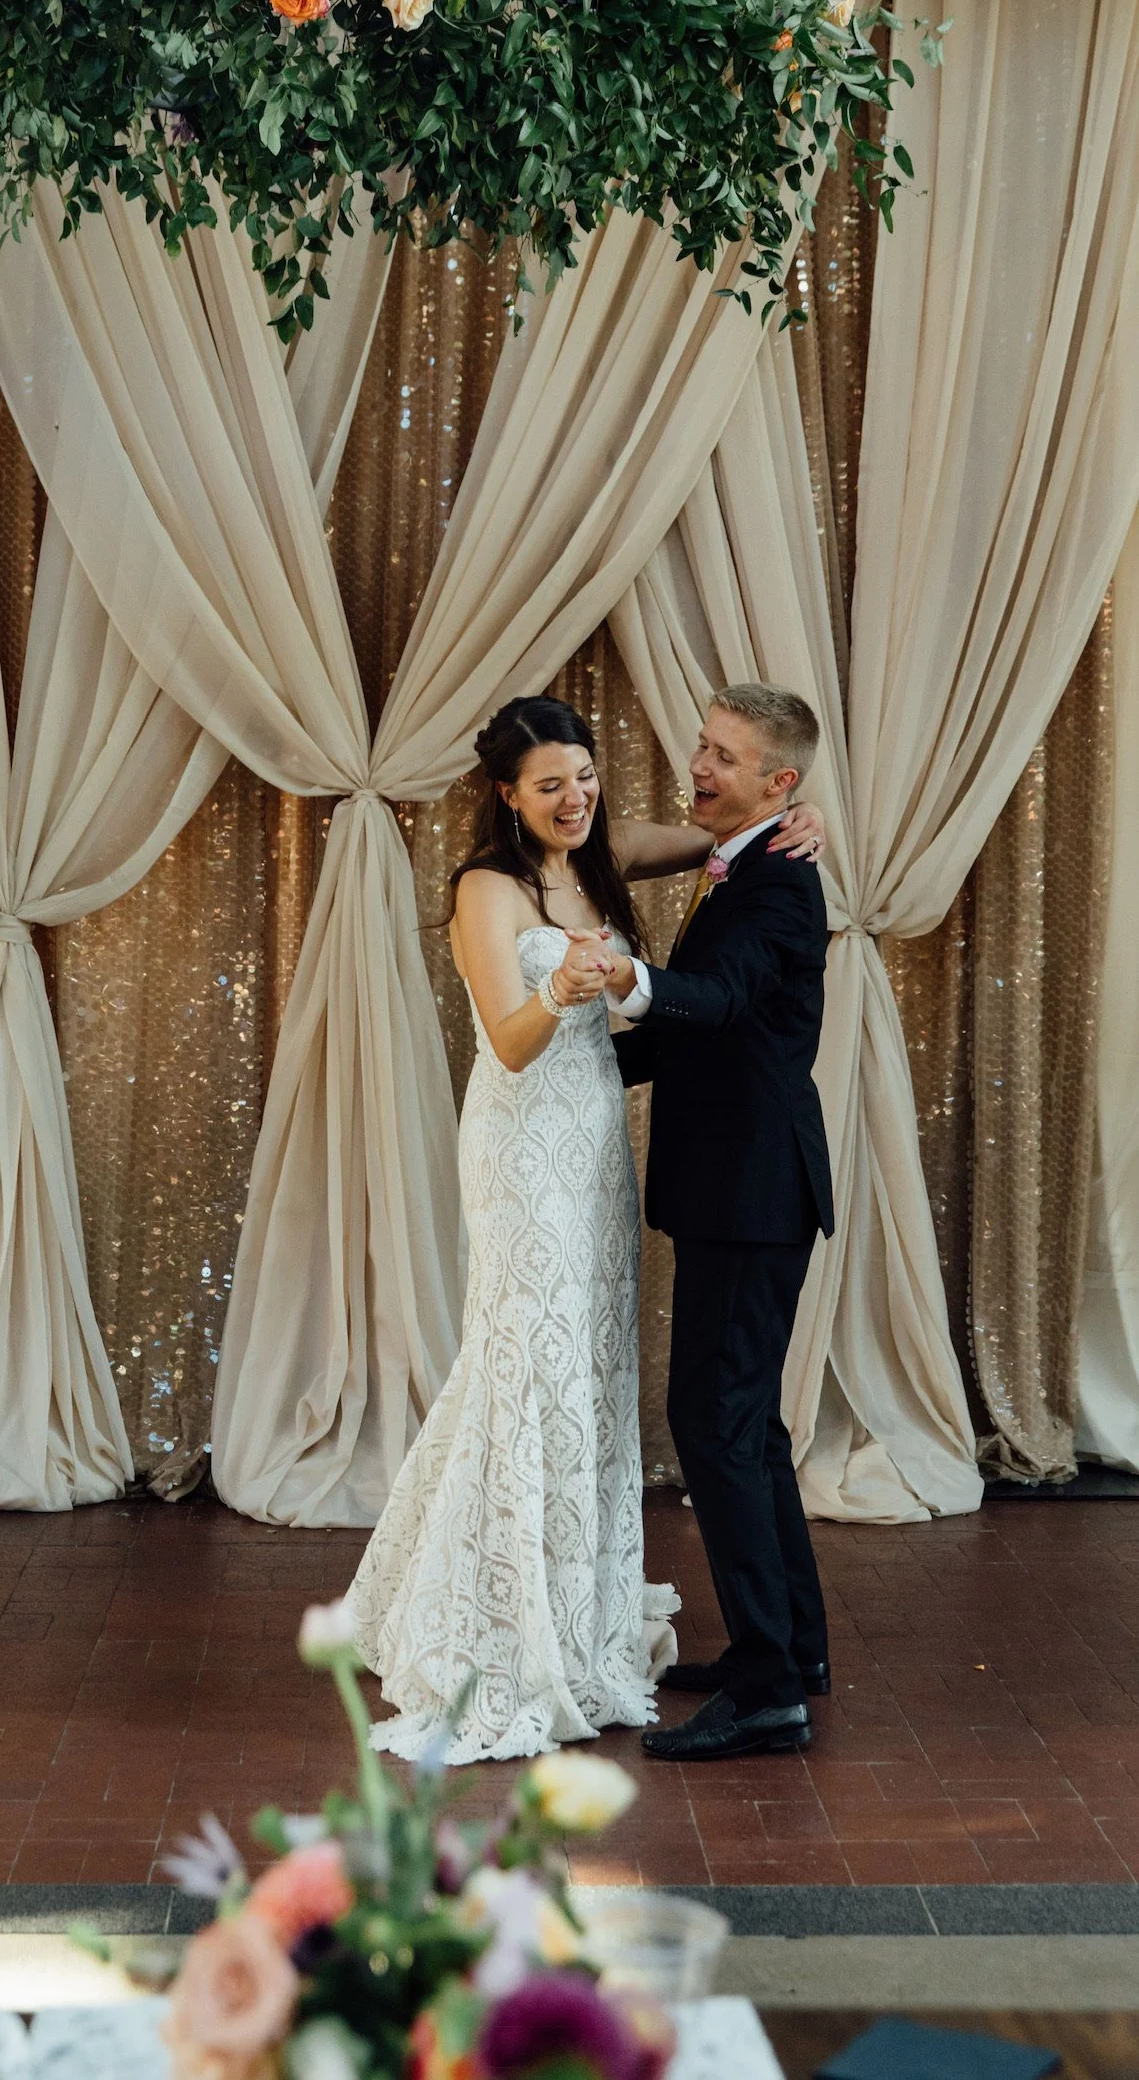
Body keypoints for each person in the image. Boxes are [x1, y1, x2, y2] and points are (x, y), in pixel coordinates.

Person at [346, 694, 826, 1765]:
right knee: (537, 1367)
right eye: (548, 782)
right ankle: (535, 1614)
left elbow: (718, 880)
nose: (575, 797)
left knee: (639, 1389)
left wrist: (796, 821)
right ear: (507, 793)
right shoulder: (488, 883)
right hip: (527, 1150)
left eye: (584, 775)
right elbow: (513, 1042)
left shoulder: (621, 857)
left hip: (622, 1156)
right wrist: (570, 983)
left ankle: (756, 1657)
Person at [600, 683, 834, 1763]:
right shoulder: (739, 867)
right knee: (748, 1424)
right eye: (700, 744)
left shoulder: (776, 886)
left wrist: (622, 979)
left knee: (716, 1423)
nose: (697, 764)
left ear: (775, 785)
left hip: (750, 1196)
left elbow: (718, 999)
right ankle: (789, 1649)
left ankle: (770, 1688)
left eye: (723, 755)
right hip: (744, 1192)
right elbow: (689, 1028)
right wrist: (573, 1064)